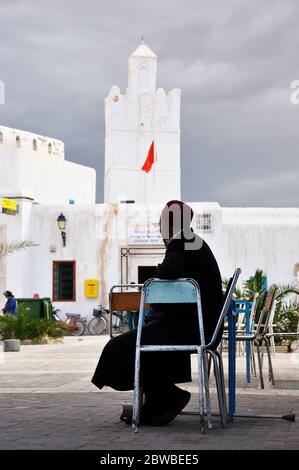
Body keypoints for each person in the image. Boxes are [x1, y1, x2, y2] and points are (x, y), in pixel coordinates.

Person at [91, 200, 223, 426]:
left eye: (161, 222)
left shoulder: (181, 241)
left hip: (194, 328)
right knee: (148, 338)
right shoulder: (192, 241)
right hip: (201, 326)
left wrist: (156, 270)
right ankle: (158, 401)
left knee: (123, 346)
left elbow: (167, 272)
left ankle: (166, 397)